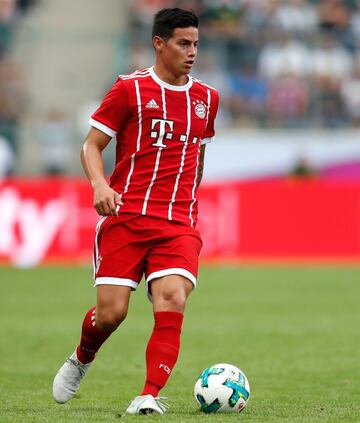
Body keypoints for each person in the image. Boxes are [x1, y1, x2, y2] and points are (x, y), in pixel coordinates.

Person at [52, 7, 219, 415]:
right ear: (158, 43)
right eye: (183, 43)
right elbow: (91, 145)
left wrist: (188, 200)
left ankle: (148, 394)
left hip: (178, 221)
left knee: (173, 296)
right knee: (111, 314)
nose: (192, 52)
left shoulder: (207, 99)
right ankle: (82, 356)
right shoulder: (129, 89)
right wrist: (99, 184)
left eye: (196, 44)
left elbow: (197, 155)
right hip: (126, 218)